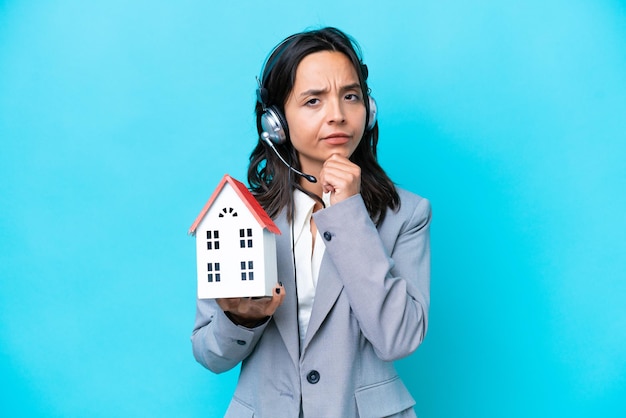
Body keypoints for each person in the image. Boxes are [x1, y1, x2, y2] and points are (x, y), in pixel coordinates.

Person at [191, 27, 431, 418]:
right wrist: (239, 320)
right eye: (313, 100)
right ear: (275, 122)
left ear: (368, 110)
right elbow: (209, 354)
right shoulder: (241, 216)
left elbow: (398, 338)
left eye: (350, 96)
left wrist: (349, 215)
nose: (337, 114)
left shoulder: (408, 214)